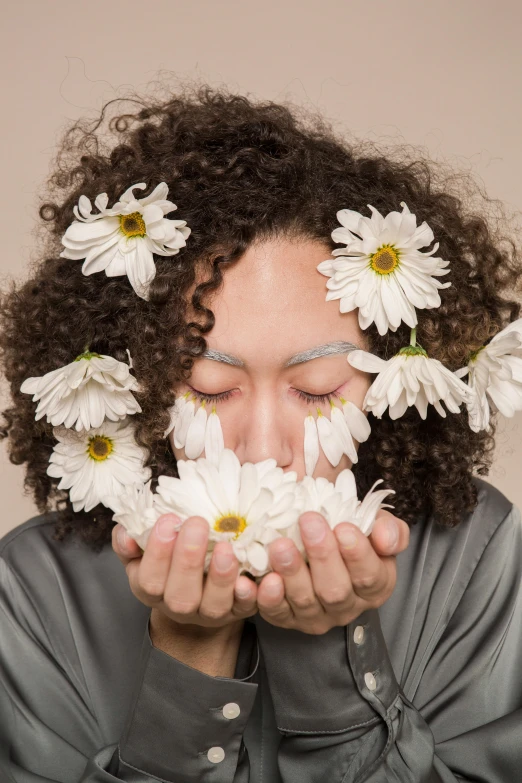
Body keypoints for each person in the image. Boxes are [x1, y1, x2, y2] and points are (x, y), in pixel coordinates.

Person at [0, 83, 521, 783]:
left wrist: (332, 659)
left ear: (387, 377)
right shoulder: (33, 591)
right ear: (140, 381)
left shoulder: (476, 557)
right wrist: (185, 661)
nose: (264, 447)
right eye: (211, 388)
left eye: (316, 390)